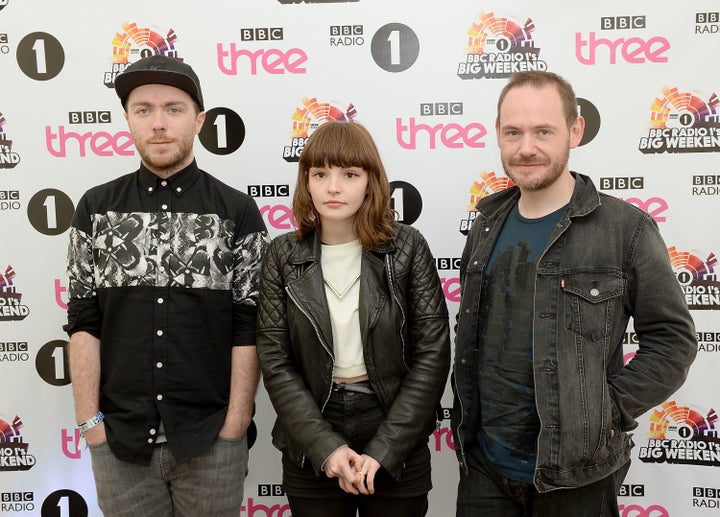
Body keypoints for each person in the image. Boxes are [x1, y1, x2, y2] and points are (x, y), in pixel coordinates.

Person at [451, 70, 697, 516]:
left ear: (575, 130)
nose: (526, 147)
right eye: (513, 132)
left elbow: (672, 341)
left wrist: (604, 409)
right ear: (498, 135)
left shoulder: (627, 230)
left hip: (578, 476)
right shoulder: (486, 223)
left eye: (543, 131)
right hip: (484, 471)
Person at [64, 54, 269, 516]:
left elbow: (248, 324)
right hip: (119, 442)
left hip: (211, 440)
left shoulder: (236, 212)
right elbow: (83, 322)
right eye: (144, 109)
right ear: (127, 120)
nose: (158, 123)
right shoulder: (95, 210)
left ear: (198, 120)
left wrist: (236, 422)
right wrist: (90, 423)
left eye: (173, 109)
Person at [256, 120, 451, 517]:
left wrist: (385, 449)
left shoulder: (408, 248)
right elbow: (275, 362)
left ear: (370, 181)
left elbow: (432, 354)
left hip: (394, 425)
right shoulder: (281, 256)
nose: (333, 186)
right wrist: (326, 447)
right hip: (312, 428)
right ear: (306, 181)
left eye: (349, 174)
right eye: (320, 173)